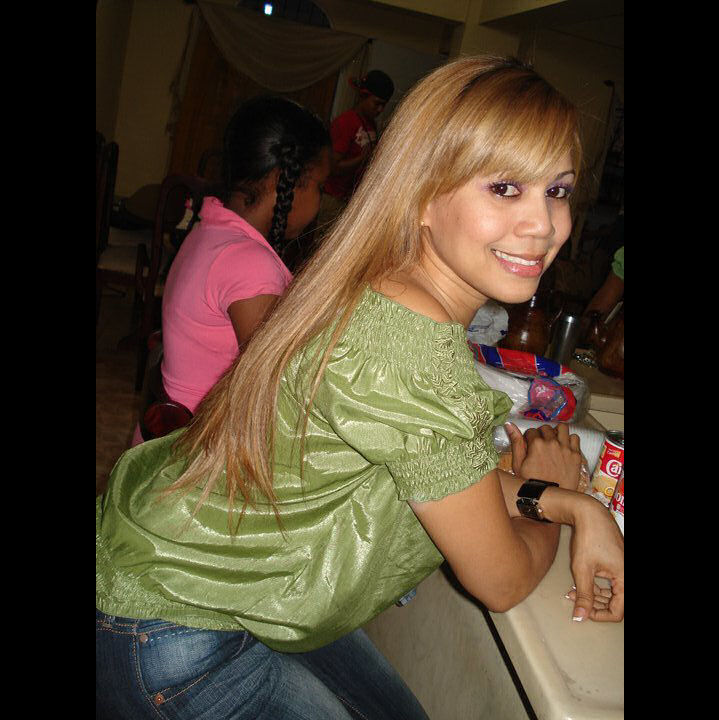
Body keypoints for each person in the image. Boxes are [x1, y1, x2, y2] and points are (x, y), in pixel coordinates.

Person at [97, 56, 624, 720]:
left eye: (558, 190)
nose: (544, 225)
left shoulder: (381, 286)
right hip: (176, 622)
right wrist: (561, 491)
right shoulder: (410, 342)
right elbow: (503, 581)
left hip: (230, 580)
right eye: (504, 188)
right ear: (421, 194)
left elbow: (440, 475)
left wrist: (571, 507)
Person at [130, 96, 330, 445]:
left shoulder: (211, 227)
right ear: (284, 180)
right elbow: (280, 386)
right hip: (197, 451)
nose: (321, 199)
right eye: (320, 186)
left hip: (169, 436)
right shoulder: (249, 264)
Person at [316, 69, 394, 231]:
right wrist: (362, 159)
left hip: (349, 200)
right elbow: (332, 167)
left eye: (384, 105)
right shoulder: (345, 122)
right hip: (332, 199)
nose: (380, 110)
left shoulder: (371, 124)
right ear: (363, 96)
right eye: (377, 103)